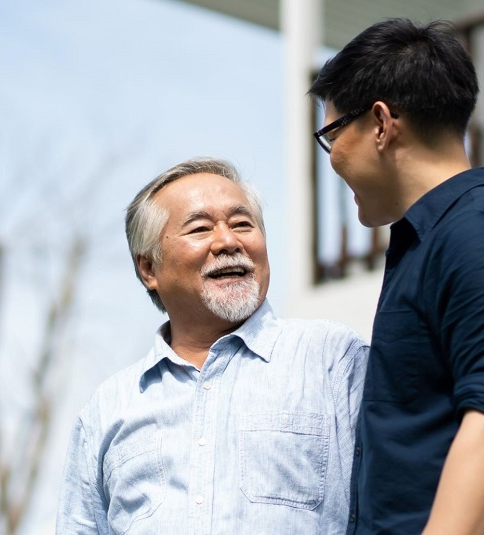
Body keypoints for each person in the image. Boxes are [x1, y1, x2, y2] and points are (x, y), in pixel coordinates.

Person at [309, 18, 484, 535]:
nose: (333, 158)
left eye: (332, 134)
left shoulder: (480, 230)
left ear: (382, 123)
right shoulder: (437, 240)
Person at [56, 157, 368, 534]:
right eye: (201, 228)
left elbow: (400, 501)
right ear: (149, 270)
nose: (228, 241)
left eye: (242, 224)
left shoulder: (331, 359)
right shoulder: (108, 409)